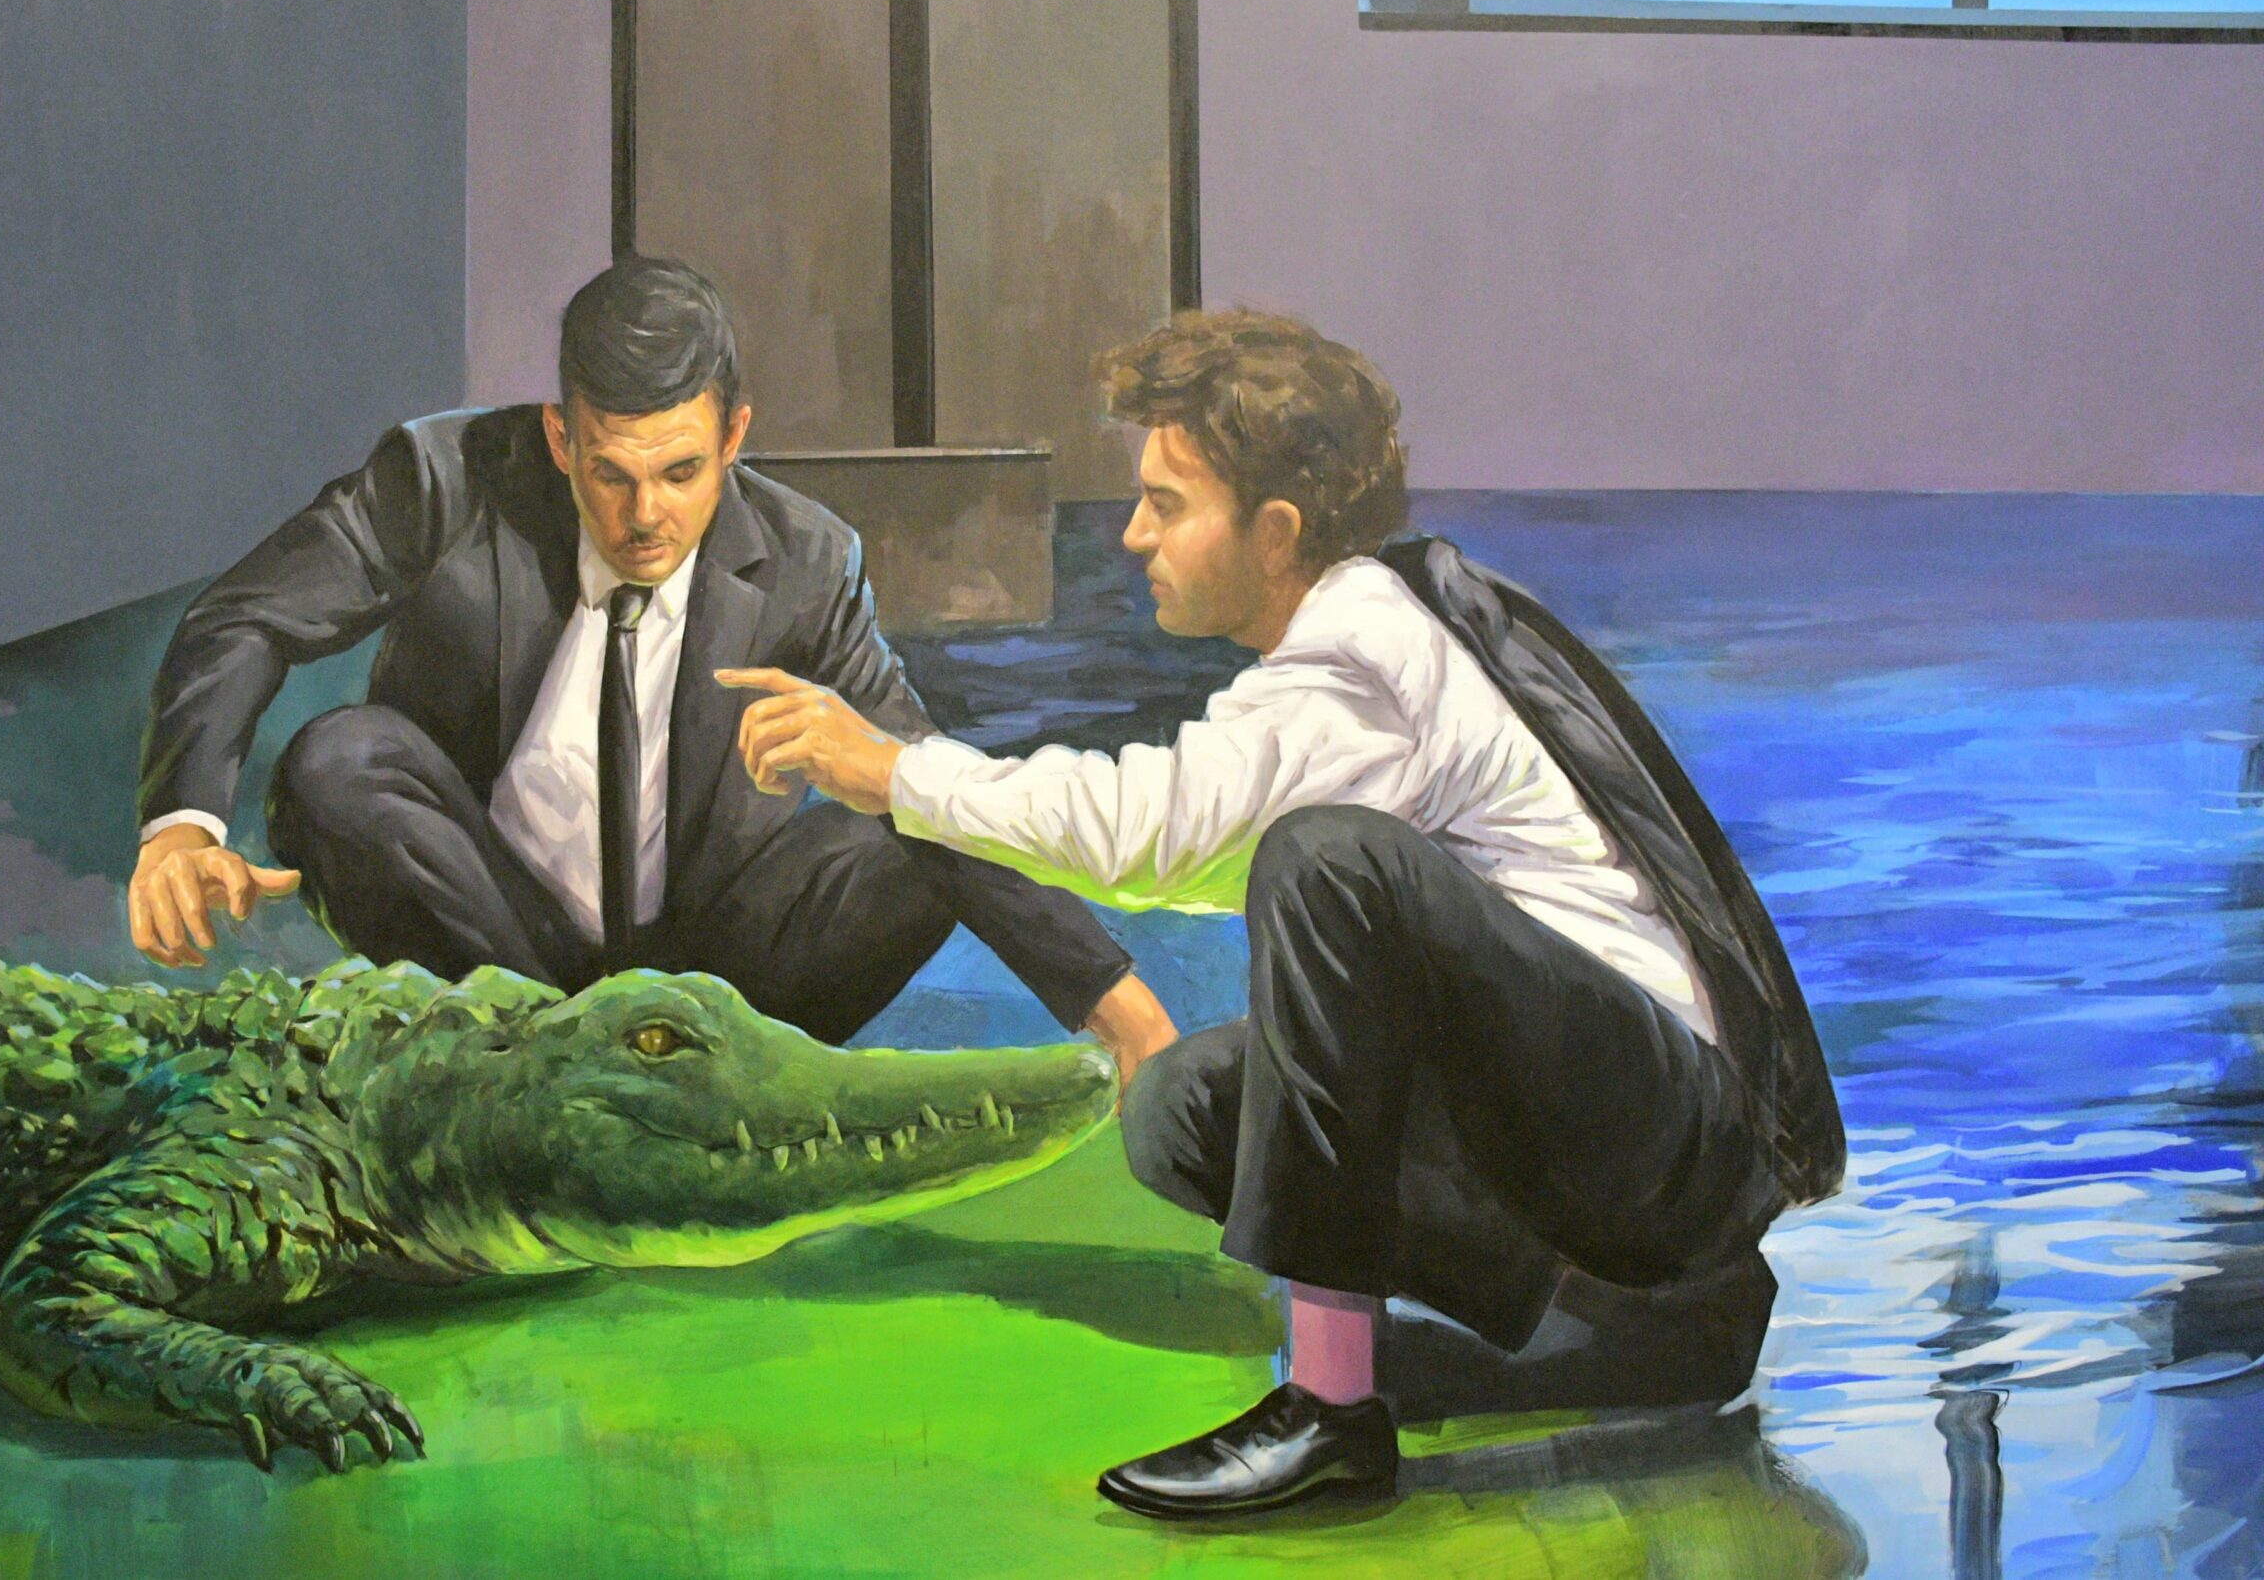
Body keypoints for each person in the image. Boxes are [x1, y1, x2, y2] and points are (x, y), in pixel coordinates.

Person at [721, 309, 1845, 1519]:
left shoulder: (1364, 650)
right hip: (1593, 1130)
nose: (1131, 536)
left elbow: (1162, 830)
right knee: (1184, 1108)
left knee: (1328, 863)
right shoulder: (1354, 639)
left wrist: (895, 771)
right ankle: (1624, 1335)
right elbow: (1201, 843)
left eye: (1165, 504)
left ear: (1275, 533)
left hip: (1661, 1139)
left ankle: (1330, 1407)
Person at [125, 256, 1179, 1075]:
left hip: (720, 977)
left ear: (734, 437)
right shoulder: (443, 482)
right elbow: (247, 616)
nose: (645, 518)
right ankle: (546, 1068)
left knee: (913, 805)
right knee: (337, 761)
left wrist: (1123, 1012)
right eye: (611, 474)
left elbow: (931, 782)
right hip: (489, 935)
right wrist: (180, 828)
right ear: (559, 438)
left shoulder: (808, 562)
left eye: (680, 473)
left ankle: (686, 1080)